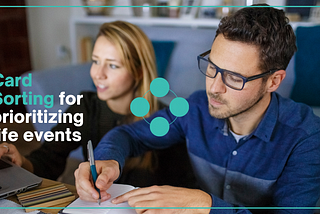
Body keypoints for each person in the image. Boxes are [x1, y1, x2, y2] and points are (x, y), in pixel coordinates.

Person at [74, 5, 320, 214]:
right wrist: (108, 159)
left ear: (274, 81)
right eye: (212, 66)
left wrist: (205, 204)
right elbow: (129, 135)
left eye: (234, 78)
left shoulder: (306, 138)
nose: (214, 87)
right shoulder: (195, 109)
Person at [0, 21, 196, 188]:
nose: (97, 74)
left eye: (112, 65)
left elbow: (182, 187)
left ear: (138, 72)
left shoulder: (165, 120)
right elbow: (49, 159)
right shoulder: (86, 106)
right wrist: (21, 163)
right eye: (95, 61)